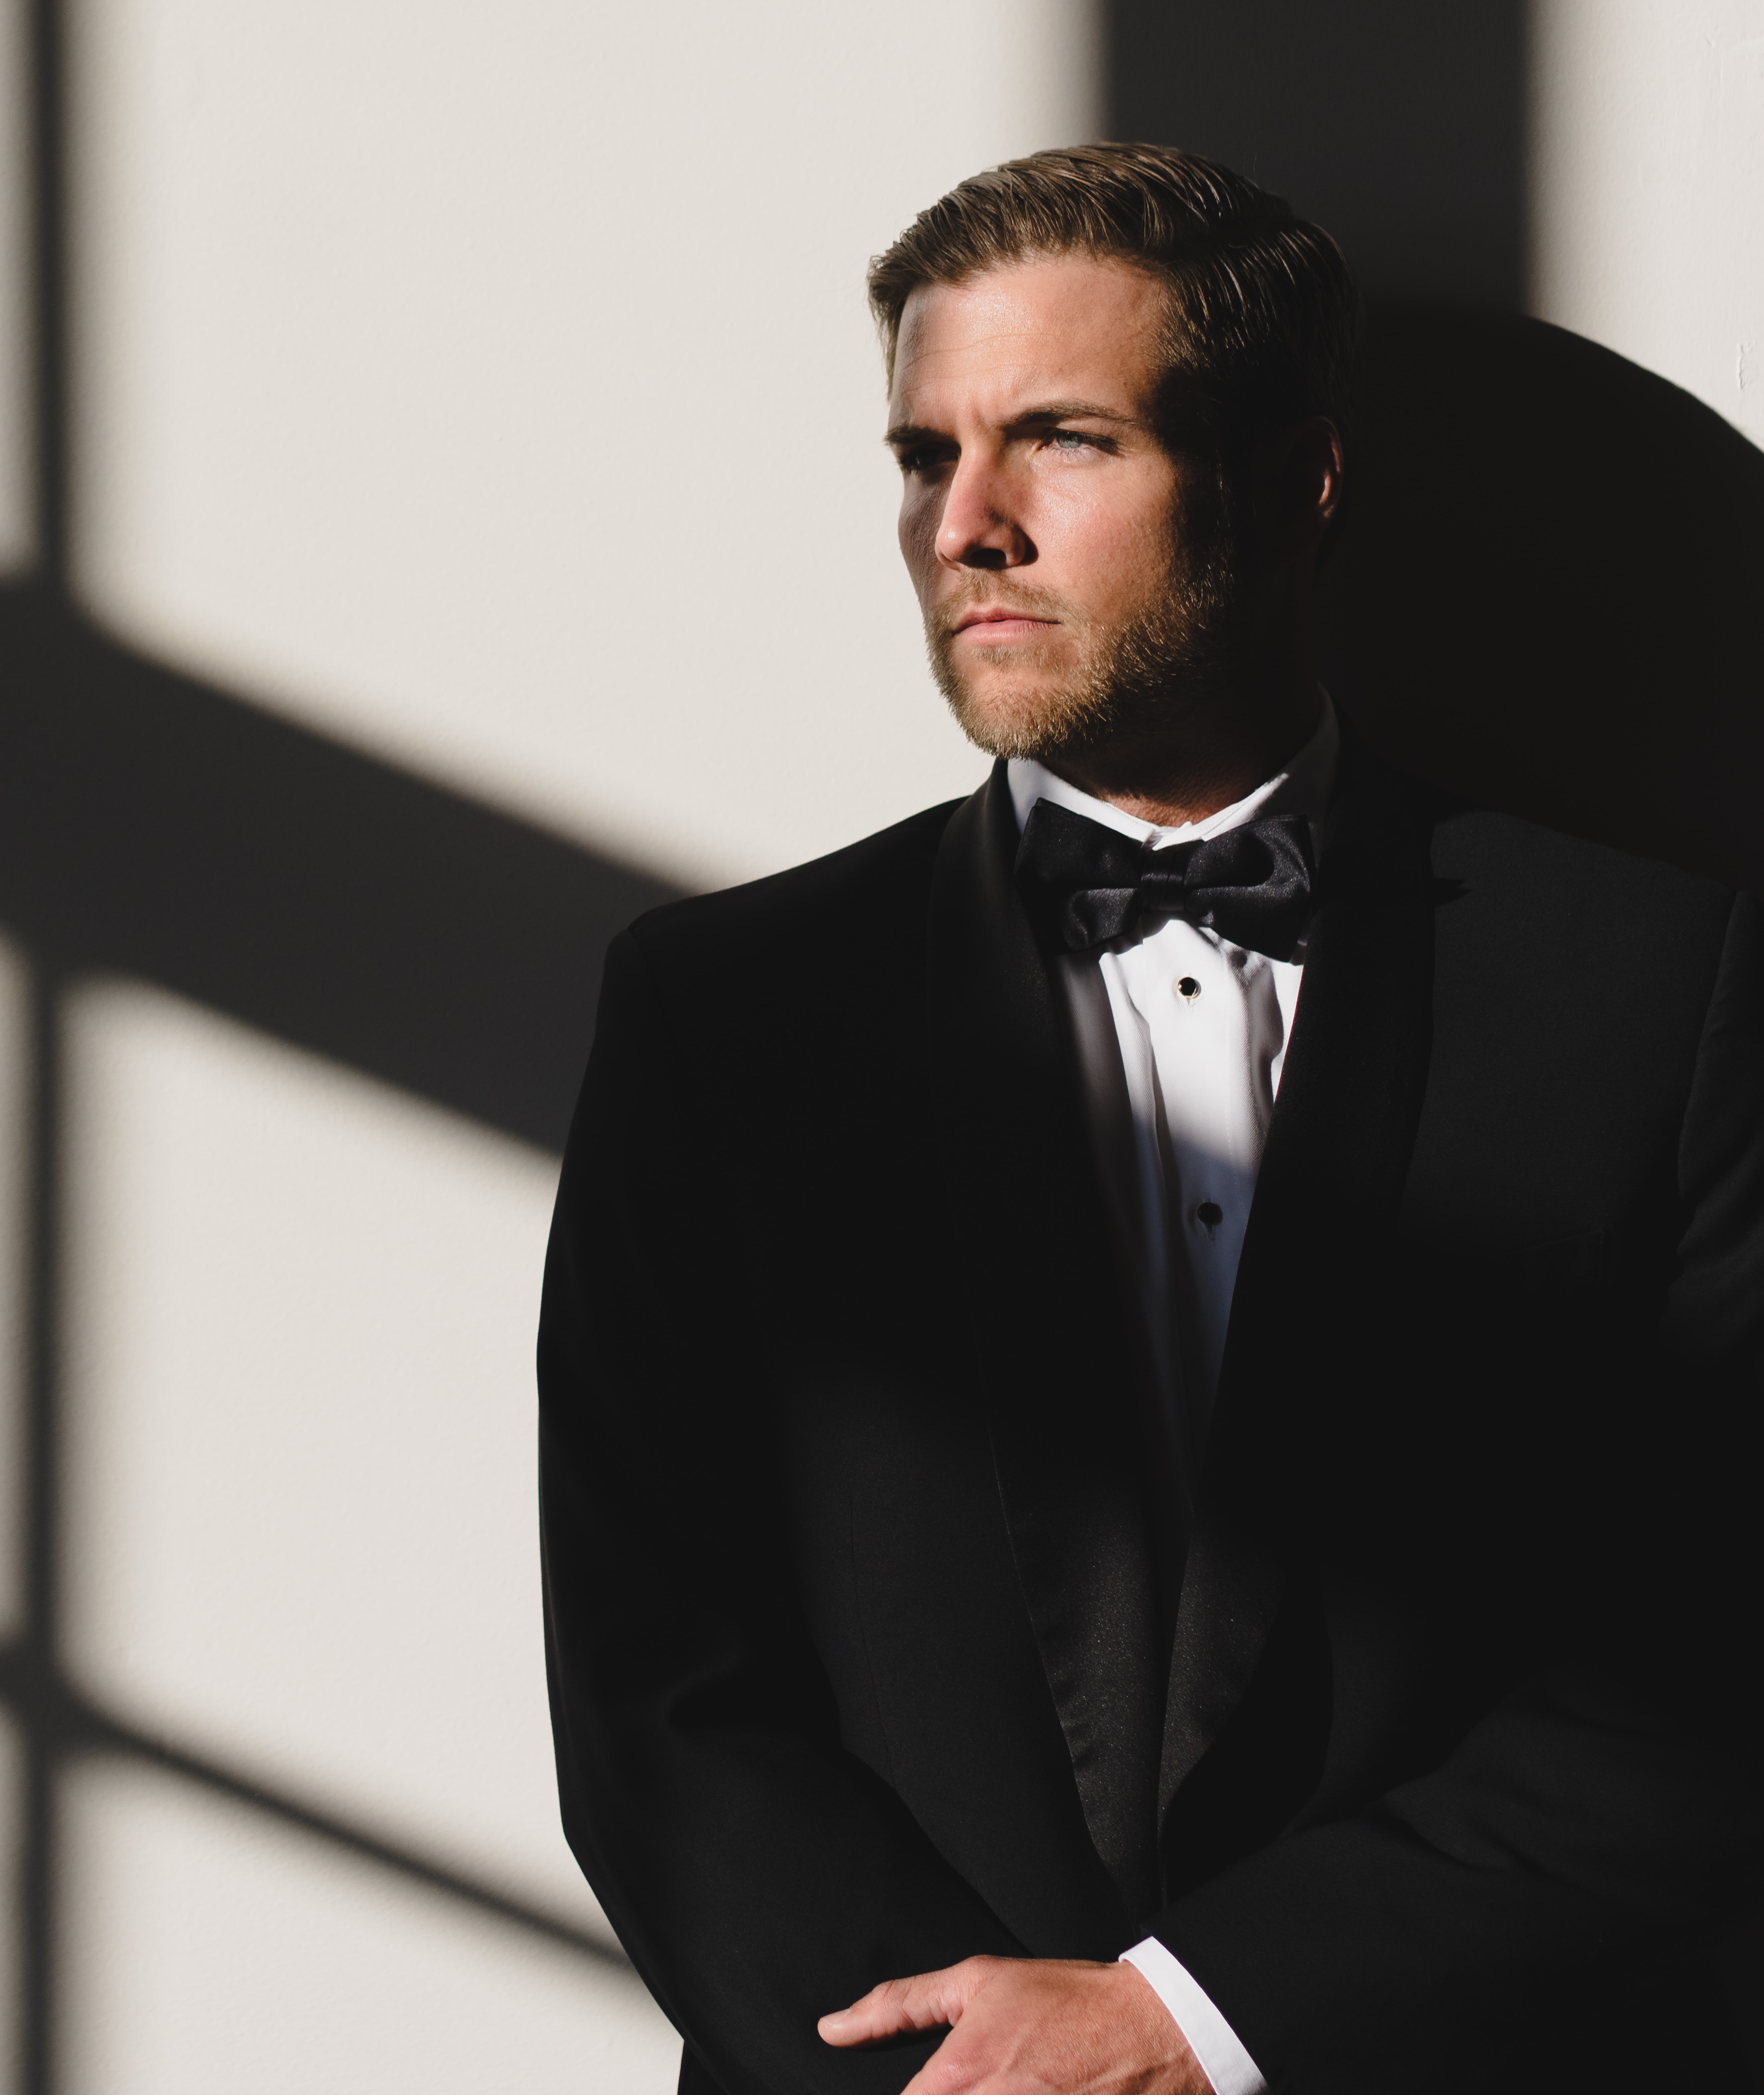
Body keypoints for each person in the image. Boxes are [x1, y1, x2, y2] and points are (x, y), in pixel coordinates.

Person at [538, 145, 1764, 2095]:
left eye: (1063, 440)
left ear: (1299, 482)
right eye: (924, 456)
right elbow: (654, 1690)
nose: (970, 527)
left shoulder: (1669, 989)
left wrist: (1198, 2028)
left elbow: (1717, 1656)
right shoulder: (718, 1016)